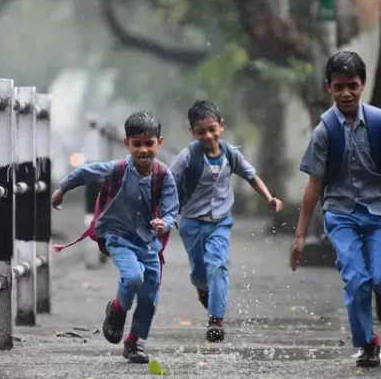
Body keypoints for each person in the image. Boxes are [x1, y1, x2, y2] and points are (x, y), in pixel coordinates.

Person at [291, 51, 381, 368]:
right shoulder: (325, 130)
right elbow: (314, 184)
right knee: (355, 279)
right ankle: (368, 343)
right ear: (329, 88)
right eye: (339, 87)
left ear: (363, 84)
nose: (346, 93)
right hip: (341, 215)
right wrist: (300, 235)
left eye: (352, 85)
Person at [51, 111, 179, 364]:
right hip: (118, 236)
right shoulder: (117, 169)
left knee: (150, 294)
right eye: (137, 144)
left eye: (149, 144)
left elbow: (172, 208)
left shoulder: (164, 176)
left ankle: (135, 342)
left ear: (159, 143)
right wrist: (62, 189)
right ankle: (118, 309)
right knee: (133, 277)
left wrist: (164, 222)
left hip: (148, 241)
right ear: (127, 144)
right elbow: (85, 172)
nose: (143, 150)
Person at [169, 100, 283, 342]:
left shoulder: (231, 154)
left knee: (218, 265)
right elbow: (168, 183)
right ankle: (203, 288)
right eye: (201, 131)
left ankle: (216, 321)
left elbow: (251, 176)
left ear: (221, 126)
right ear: (192, 132)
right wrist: (160, 212)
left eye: (212, 129)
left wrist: (269, 198)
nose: (208, 136)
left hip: (220, 222)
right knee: (200, 273)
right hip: (191, 223)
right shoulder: (187, 156)